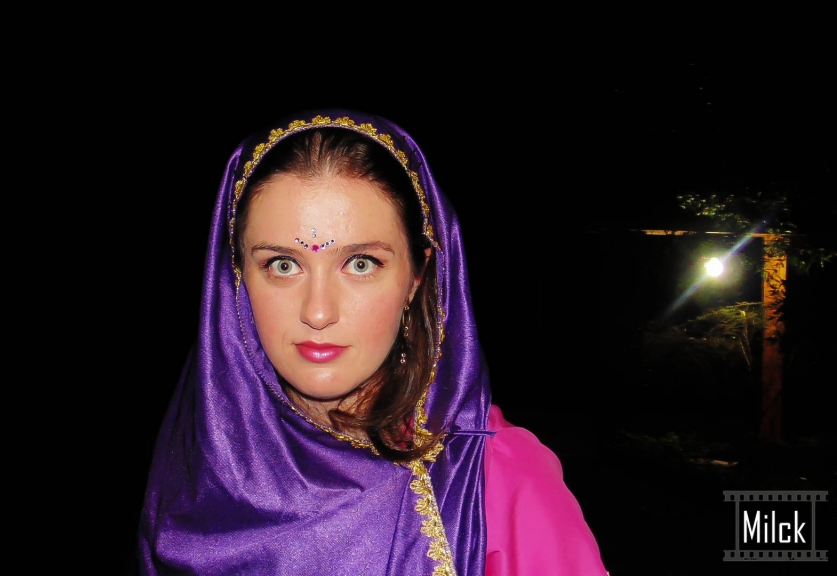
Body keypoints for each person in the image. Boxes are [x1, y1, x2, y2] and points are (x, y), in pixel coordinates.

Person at [139, 110, 607, 575]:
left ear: (417, 277)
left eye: (360, 263)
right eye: (283, 265)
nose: (318, 312)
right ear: (237, 279)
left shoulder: (496, 483)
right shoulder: (198, 467)